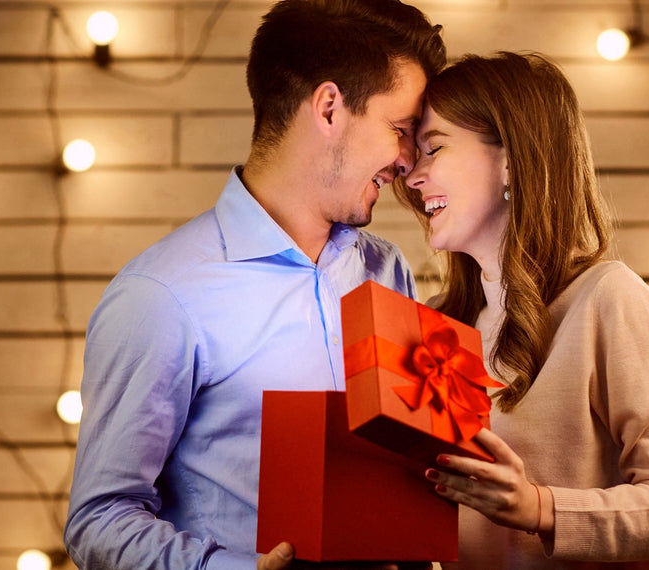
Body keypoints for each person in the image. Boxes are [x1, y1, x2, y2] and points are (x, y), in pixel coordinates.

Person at [63, 1, 446, 568]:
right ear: (329, 107)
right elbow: (99, 521)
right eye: (399, 130)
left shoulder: (388, 270)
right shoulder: (162, 294)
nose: (408, 160)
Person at [396, 52, 649, 569]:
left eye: (434, 149)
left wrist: (538, 507)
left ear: (511, 159)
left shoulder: (609, 299)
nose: (413, 176)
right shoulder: (437, 322)